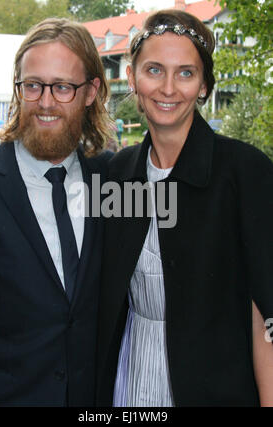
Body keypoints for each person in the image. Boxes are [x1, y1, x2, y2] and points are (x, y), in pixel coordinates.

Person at [96, 10, 273, 407]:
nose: (169, 88)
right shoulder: (117, 174)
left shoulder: (245, 172)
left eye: (186, 73)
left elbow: (265, 314)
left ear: (205, 86)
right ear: (132, 78)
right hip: (130, 376)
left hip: (216, 385)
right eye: (155, 70)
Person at [0, 17, 112, 406]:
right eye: (32, 85)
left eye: (63, 87)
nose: (46, 101)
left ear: (90, 92)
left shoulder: (111, 179)